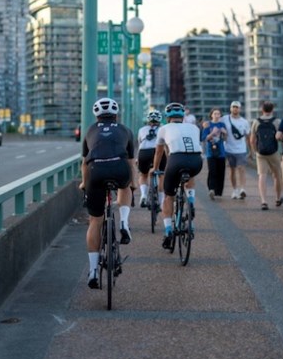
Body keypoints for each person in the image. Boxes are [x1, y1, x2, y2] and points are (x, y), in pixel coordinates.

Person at [79, 97, 137, 288]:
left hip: (96, 171)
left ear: (96, 115)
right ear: (116, 114)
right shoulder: (125, 130)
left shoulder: (89, 130)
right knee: (125, 186)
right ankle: (123, 222)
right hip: (119, 169)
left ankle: (94, 271)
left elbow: (85, 164)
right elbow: (130, 162)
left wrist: (84, 184)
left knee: (95, 220)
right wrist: (133, 182)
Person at [151, 102, 203, 250]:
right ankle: (191, 200)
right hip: (196, 161)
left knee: (168, 197)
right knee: (190, 173)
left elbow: (159, 153)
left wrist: (155, 169)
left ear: (168, 117)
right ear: (183, 116)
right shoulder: (194, 127)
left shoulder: (163, 129)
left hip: (176, 160)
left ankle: (168, 231)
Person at [250, 101, 283, 211]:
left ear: (262, 109)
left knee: (262, 176)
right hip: (274, 152)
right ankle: (278, 198)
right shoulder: (277, 121)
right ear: (272, 110)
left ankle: (264, 201)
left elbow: (252, 140)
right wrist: (282, 151)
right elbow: (281, 137)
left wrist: (255, 151)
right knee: (277, 175)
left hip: (261, 153)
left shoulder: (256, 122)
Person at [135, 110, 164, 208]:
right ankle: (161, 201)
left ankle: (143, 195)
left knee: (143, 175)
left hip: (144, 152)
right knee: (162, 175)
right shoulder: (163, 129)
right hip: (159, 152)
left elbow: (140, 144)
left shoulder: (142, 129)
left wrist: (137, 159)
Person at [223, 101, 251, 200]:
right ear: (230, 108)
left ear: (240, 109)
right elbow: (216, 124)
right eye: (233, 107)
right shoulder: (225, 119)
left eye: (237, 107)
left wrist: (250, 150)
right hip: (229, 149)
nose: (235, 109)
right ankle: (235, 190)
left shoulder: (244, 122)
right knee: (232, 170)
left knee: (241, 169)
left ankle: (242, 189)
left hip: (241, 149)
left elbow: (248, 137)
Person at [201, 108, 228, 200]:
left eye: (218, 114)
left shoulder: (222, 124)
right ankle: (211, 189)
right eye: (215, 113)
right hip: (210, 152)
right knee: (212, 171)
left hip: (221, 152)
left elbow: (225, 139)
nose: (217, 115)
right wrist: (213, 133)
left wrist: (225, 133)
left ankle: (218, 192)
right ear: (211, 115)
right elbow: (204, 138)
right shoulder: (208, 125)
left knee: (221, 172)